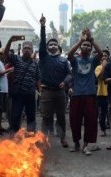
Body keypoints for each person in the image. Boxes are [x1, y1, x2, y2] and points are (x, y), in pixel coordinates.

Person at [67, 27, 103, 155]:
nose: (86, 47)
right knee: (74, 121)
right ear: (80, 47)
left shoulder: (93, 60)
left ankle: (85, 145)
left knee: (91, 121)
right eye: (84, 45)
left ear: (91, 47)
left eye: (88, 45)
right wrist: (79, 41)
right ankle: (76, 143)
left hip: (90, 95)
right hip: (76, 95)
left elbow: (101, 53)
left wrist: (91, 39)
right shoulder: (76, 60)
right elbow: (69, 55)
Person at [38, 14, 71, 148]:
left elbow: (69, 74)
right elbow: (42, 42)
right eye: (50, 44)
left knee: (61, 117)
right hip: (46, 92)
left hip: (60, 93)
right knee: (46, 117)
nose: (52, 45)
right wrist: (43, 26)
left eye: (54, 43)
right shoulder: (44, 57)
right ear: (47, 47)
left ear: (58, 46)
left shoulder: (63, 60)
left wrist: (65, 81)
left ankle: (62, 138)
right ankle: (43, 139)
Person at [4, 36, 41, 133]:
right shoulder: (16, 59)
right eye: (25, 48)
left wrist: (40, 92)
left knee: (31, 117)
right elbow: (5, 53)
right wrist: (10, 40)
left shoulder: (35, 64)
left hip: (30, 94)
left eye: (29, 48)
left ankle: (31, 136)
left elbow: (38, 79)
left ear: (32, 50)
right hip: (18, 94)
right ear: (22, 50)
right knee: (15, 116)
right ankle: (14, 137)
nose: (27, 50)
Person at [95, 49, 110, 137]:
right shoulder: (98, 67)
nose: (104, 57)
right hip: (101, 93)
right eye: (102, 55)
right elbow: (100, 77)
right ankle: (103, 129)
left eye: (105, 56)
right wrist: (104, 67)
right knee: (102, 112)